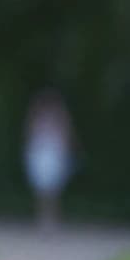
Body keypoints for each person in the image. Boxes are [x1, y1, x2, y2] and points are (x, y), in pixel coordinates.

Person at [23, 88, 74, 231]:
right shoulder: (36, 116)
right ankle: (43, 219)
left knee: (53, 189)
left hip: (53, 153)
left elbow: (65, 134)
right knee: (41, 189)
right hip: (41, 153)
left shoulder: (60, 117)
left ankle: (52, 220)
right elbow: (30, 134)